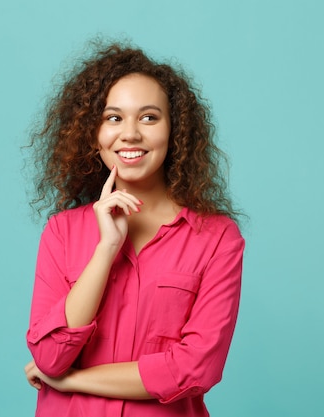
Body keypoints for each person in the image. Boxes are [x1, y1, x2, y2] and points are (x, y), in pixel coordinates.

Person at [24, 40, 245, 417]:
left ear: (174, 131)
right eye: (113, 118)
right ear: (92, 134)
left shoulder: (217, 239)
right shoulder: (62, 232)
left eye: (148, 117)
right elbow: (49, 355)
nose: (130, 134)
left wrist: (74, 380)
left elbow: (195, 369)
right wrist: (106, 249)